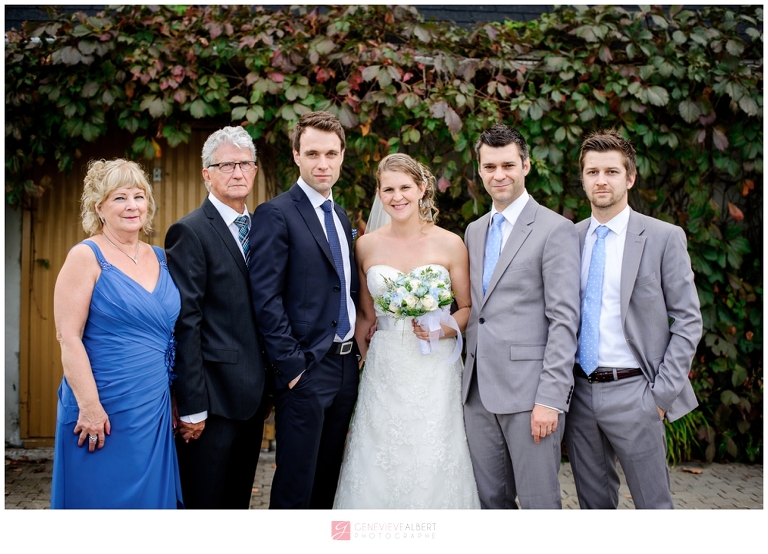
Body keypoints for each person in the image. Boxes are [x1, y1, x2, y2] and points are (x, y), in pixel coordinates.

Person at [564, 130, 703, 509]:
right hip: (580, 394)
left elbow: (689, 320)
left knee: (653, 508)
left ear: (630, 177)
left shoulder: (662, 237)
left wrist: (659, 396)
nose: (601, 180)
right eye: (592, 172)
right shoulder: (569, 239)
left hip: (636, 392)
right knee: (594, 508)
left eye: (611, 171)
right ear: (583, 179)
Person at [333, 154, 480, 509]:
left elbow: (467, 309)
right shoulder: (366, 245)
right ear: (380, 195)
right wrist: (362, 365)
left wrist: (442, 330)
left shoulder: (450, 243)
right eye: (388, 189)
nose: (397, 197)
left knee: (433, 450)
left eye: (404, 188)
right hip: (385, 367)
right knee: (379, 452)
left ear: (421, 189)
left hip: (434, 368)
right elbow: (366, 317)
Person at [51, 159, 182, 509]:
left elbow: (169, 338)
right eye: (119, 198)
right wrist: (90, 406)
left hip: (151, 407)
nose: (132, 206)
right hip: (102, 404)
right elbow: (68, 337)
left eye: (139, 196)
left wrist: (172, 396)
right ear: (100, 208)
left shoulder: (162, 258)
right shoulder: (85, 256)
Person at [463, 123, 580, 509]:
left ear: (526, 166)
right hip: (477, 392)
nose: (499, 175)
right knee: (490, 502)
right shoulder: (475, 230)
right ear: (479, 170)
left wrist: (551, 398)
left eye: (509, 165)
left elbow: (565, 321)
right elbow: (478, 311)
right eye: (490, 166)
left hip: (530, 394)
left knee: (538, 504)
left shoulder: (555, 230)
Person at [249, 111, 360, 509]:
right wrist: (293, 368)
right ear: (296, 155)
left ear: (343, 155)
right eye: (312, 153)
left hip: (346, 368)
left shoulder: (342, 215)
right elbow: (265, 298)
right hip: (306, 369)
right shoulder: (276, 213)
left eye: (331, 153)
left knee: (328, 478)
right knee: (297, 482)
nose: (323, 163)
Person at [165, 126, 269, 509]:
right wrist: (192, 404)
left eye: (244, 164)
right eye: (226, 165)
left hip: (255, 397)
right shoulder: (189, 232)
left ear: (254, 171)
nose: (237, 172)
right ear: (207, 174)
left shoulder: (262, 228)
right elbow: (186, 322)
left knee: (237, 504)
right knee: (204, 505)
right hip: (212, 402)